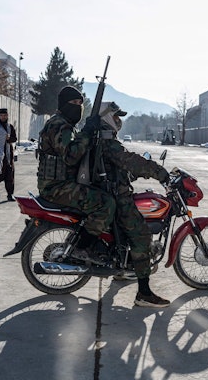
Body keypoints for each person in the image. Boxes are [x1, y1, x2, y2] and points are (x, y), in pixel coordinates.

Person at [93, 106, 170, 307]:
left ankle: (123, 270)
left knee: (128, 232)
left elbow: (121, 167)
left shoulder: (103, 140)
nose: (119, 120)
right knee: (142, 236)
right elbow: (131, 161)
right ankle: (144, 293)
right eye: (116, 116)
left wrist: (135, 173)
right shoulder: (108, 142)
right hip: (117, 197)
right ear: (108, 118)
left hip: (112, 191)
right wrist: (159, 172)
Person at [37, 86, 116, 265]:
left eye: (80, 103)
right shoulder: (59, 125)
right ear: (64, 104)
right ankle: (82, 248)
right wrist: (87, 131)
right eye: (73, 103)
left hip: (61, 184)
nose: (78, 106)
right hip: (56, 187)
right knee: (106, 203)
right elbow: (71, 156)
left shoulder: (64, 124)